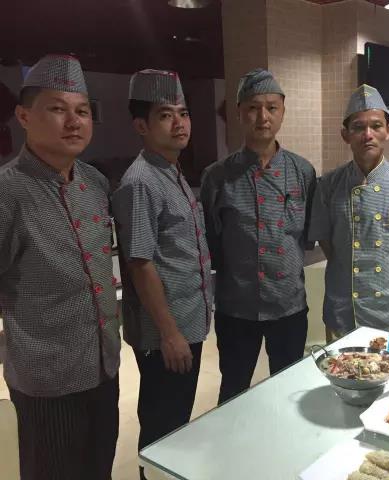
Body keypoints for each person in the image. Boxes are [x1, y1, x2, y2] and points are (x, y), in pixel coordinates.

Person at [0, 54, 120, 480]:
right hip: (47, 379)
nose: (73, 122)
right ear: (24, 116)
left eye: (82, 111)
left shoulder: (95, 182)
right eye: (57, 109)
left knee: (99, 468)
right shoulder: (8, 192)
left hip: (103, 365)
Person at [111, 69, 212, 477]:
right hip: (165, 333)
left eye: (183, 113)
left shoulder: (170, 171)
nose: (179, 123)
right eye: (165, 115)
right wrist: (170, 333)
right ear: (141, 125)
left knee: (175, 421)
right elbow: (140, 262)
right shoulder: (141, 181)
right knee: (161, 426)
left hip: (186, 323)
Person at [200, 68, 316, 404]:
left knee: (289, 391)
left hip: (289, 305)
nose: (263, 117)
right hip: (237, 307)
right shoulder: (217, 177)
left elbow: (307, 237)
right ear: (239, 113)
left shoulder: (303, 172)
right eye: (253, 107)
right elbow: (211, 239)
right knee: (233, 391)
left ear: (282, 112)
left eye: (271, 107)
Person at [308, 84, 389, 338]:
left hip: (388, 302)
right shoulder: (329, 184)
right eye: (358, 127)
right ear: (345, 135)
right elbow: (325, 239)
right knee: (340, 363)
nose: (367, 135)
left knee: (388, 363)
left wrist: (388, 267)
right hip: (342, 301)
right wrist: (346, 263)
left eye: (376, 126)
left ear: (388, 131)